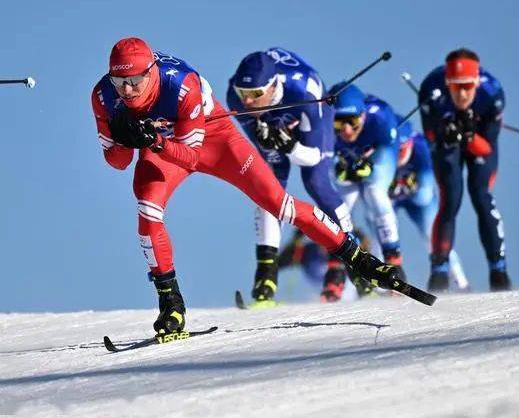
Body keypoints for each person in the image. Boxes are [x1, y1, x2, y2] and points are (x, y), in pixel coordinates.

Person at [91, 37, 403, 334]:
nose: (128, 91)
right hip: (163, 147)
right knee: (147, 211)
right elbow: (116, 162)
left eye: (135, 81)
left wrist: (154, 139)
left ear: (152, 72)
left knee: (279, 204)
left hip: (212, 140)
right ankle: (170, 304)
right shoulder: (104, 96)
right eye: (120, 83)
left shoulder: (181, 83)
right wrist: (123, 138)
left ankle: (361, 261)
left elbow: (190, 156)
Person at [226, 48, 355, 304]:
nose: (248, 102)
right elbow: (263, 139)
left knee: (316, 183)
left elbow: (313, 156)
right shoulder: (235, 96)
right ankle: (265, 277)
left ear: (273, 86)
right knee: (269, 190)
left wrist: (289, 145)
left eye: (255, 95)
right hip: (276, 120)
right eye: (244, 95)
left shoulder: (304, 91)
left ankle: (351, 257)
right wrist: (271, 139)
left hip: (310, 119)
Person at [418, 47, 511, 292]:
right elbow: (430, 137)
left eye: (467, 87)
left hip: (478, 140)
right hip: (447, 143)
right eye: (455, 86)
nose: (461, 94)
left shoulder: (493, 93)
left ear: (476, 81)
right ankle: (439, 269)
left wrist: (468, 136)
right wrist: (444, 133)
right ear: (447, 82)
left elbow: (487, 148)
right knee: (451, 199)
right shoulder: (431, 90)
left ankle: (498, 269)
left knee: (481, 195)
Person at [330, 83, 408, 295]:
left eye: (352, 122)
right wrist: (341, 167)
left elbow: (387, 152)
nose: (346, 129)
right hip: (346, 160)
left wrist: (370, 166)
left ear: (363, 116)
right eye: (339, 122)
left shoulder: (380, 114)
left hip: (376, 155)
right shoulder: (324, 119)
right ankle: (336, 270)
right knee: (340, 206)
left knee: (374, 192)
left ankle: (394, 261)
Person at [389, 126, 469, 291]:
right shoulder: (380, 147)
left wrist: (407, 186)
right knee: (384, 234)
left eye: (402, 149)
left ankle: (461, 283)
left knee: (433, 235)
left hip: (418, 202)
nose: (397, 155)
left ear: (410, 143)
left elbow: (423, 195)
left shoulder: (421, 147)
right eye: (393, 150)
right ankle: (382, 285)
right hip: (392, 199)